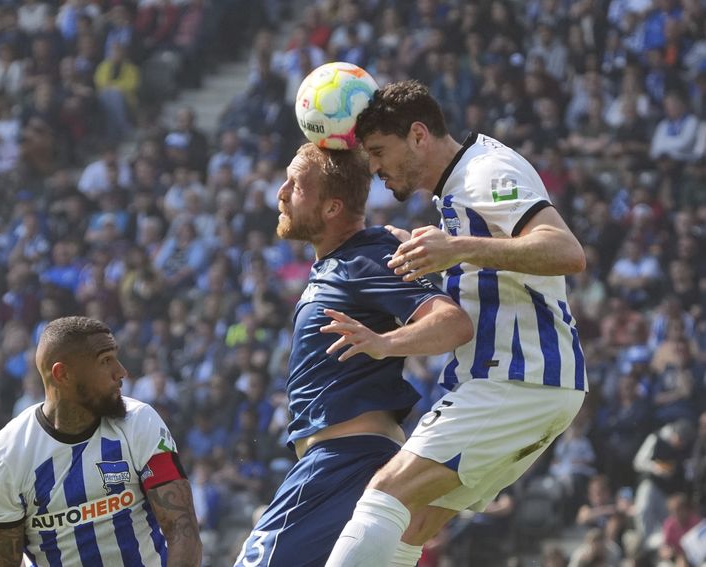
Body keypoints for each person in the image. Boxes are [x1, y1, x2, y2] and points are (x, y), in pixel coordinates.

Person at [325, 80, 588, 567]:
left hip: (517, 377)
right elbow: (495, 271)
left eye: (380, 151)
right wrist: (445, 257)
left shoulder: (487, 170)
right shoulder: (457, 189)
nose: (375, 168)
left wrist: (459, 248)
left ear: (419, 134)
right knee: (417, 519)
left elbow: (566, 252)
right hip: (530, 383)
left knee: (385, 491)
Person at [234, 143, 473, 566]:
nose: (281, 192)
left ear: (332, 208)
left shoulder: (366, 258)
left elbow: (452, 323)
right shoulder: (342, 262)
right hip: (338, 465)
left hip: (346, 463)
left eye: (296, 184)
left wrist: (385, 344)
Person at [0, 316, 202, 567]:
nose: (121, 372)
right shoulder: (3, 458)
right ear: (62, 374)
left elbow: (182, 532)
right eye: (105, 361)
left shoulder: (140, 422)